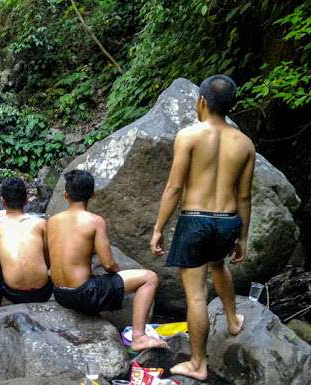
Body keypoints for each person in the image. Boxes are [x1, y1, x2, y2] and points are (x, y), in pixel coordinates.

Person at [151, 74, 255, 381]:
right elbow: (245, 196)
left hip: (195, 220)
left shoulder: (189, 136)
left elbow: (173, 188)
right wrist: (242, 237)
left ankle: (198, 364)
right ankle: (233, 319)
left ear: (202, 101)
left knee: (196, 297)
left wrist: (158, 228)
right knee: (219, 264)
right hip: (228, 221)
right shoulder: (246, 144)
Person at [48, 169, 168, 352]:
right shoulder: (95, 221)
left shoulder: (53, 221)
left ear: (66, 195)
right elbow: (108, 264)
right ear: (93, 194)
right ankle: (138, 337)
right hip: (82, 294)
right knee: (150, 278)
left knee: (97, 282)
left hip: (60, 294)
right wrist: (116, 274)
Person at [0, 177, 52, 304]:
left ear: (2, 201)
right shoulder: (40, 223)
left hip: (13, 293)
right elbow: (47, 260)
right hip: (42, 292)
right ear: (26, 200)